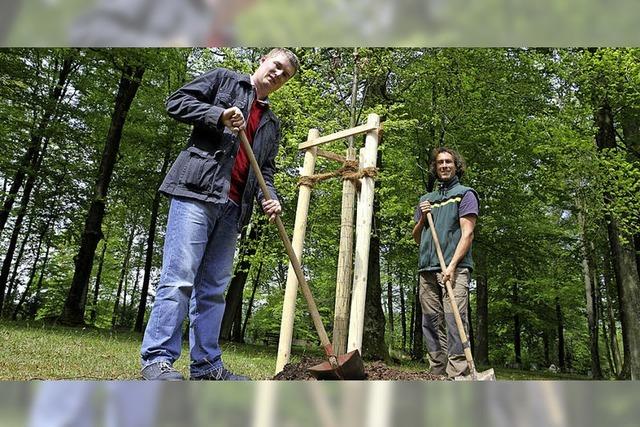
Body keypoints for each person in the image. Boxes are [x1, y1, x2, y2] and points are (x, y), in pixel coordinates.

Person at [140, 48, 299, 381]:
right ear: (263, 61)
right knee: (180, 278)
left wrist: (271, 197)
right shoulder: (225, 81)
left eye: (285, 75)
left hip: (233, 209)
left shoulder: (271, 123)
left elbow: (264, 169)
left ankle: (207, 367)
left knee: (212, 289)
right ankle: (157, 360)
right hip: (197, 192)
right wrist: (218, 114)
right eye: (276, 66)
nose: (278, 74)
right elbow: (176, 102)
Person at [412, 147, 479, 379]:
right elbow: (418, 237)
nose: (444, 166)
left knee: (454, 321)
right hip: (427, 270)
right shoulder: (425, 200)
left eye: (448, 162)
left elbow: (467, 234)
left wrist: (451, 266)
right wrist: (421, 218)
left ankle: (457, 375)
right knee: (431, 324)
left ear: (456, 165)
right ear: (435, 167)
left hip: (455, 269)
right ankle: (437, 373)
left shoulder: (465, 194)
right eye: (440, 162)